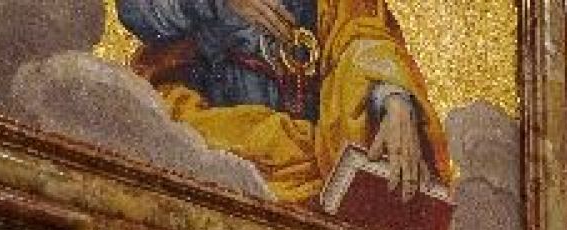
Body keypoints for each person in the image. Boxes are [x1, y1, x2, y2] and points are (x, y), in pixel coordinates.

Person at [116, 0, 452, 209]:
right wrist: (222, 5)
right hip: (207, 136)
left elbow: (364, 35)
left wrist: (393, 99)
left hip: (317, 160)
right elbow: (138, 10)